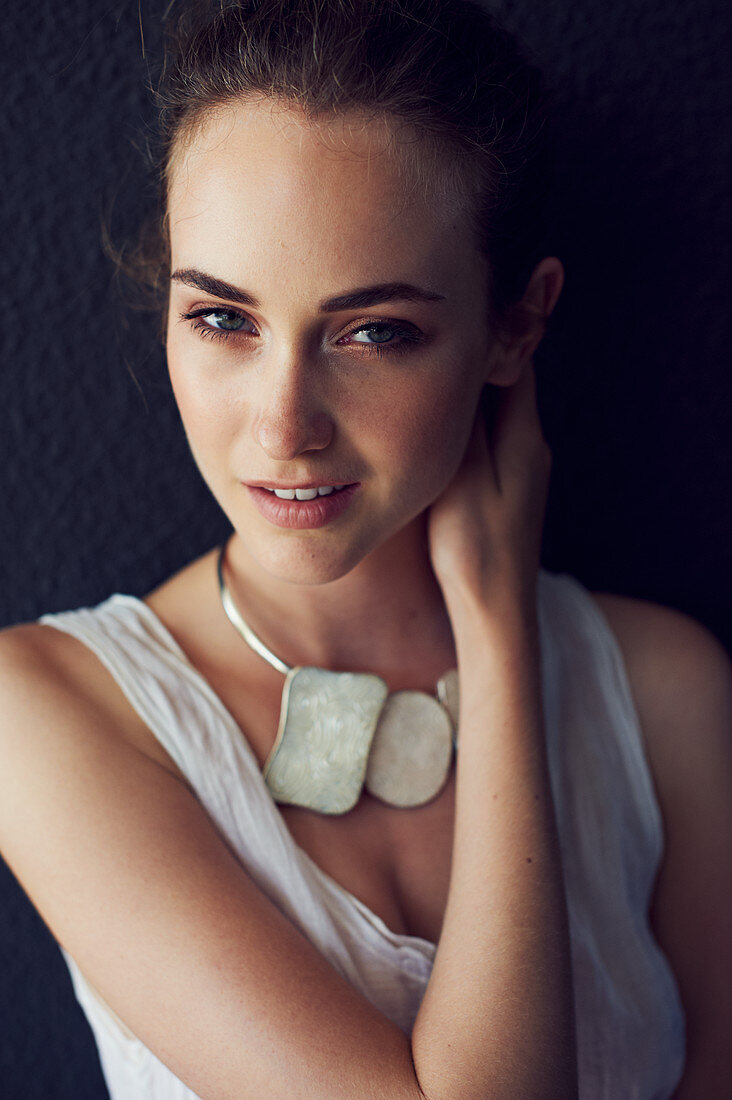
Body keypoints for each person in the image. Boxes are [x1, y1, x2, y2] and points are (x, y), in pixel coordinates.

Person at [0, 0, 730, 1096]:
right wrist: (491, 622)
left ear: (515, 327)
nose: (283, 424)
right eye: (222, 319)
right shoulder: (46, 711)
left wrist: (499, 629)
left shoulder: (668, 692)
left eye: (373, 332)